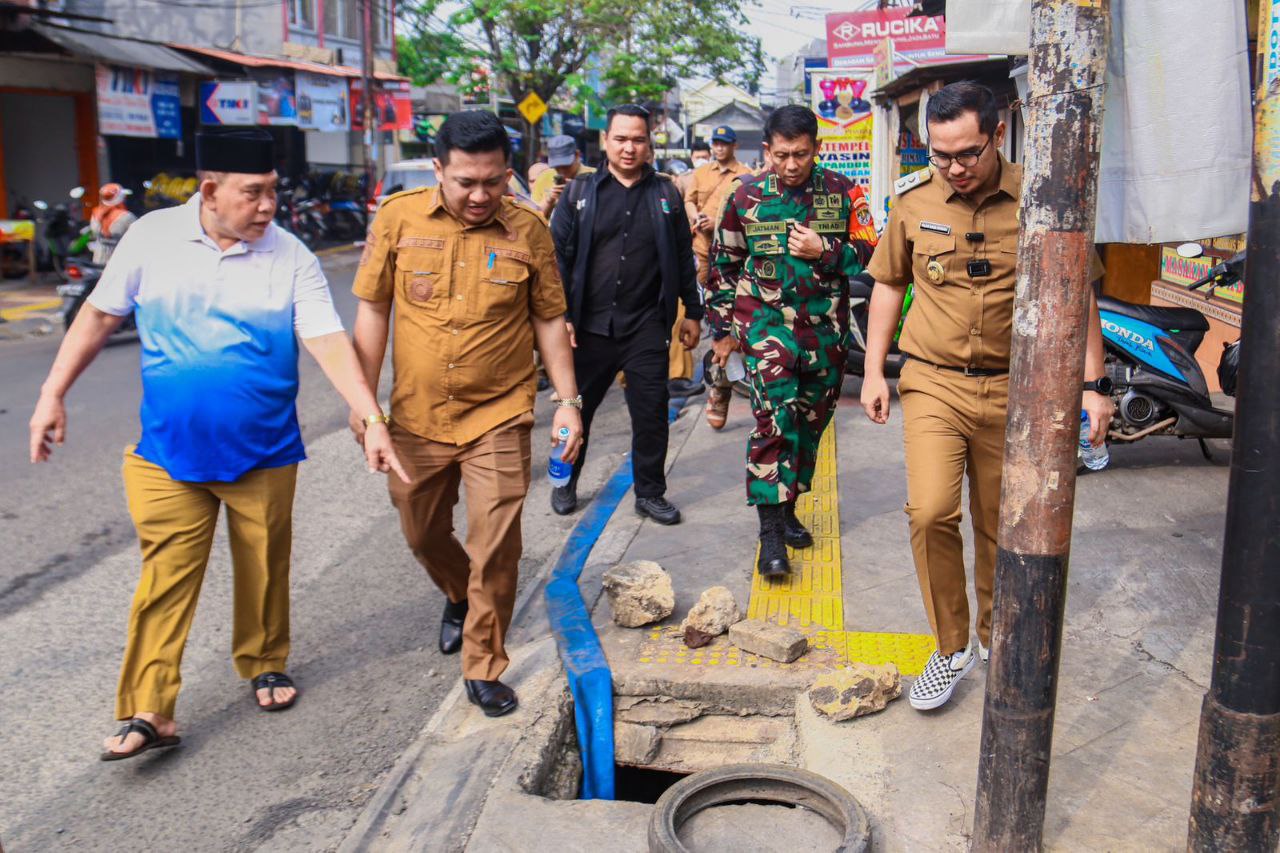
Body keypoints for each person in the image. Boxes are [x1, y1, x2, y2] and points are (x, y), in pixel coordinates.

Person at [27, 127, 406, 761]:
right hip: (167, 455)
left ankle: (264, 661)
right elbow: (97, 315)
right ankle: (149, 709)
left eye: (273, 193)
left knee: (263, 568)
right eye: (254, 194)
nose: (268, 207)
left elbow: (326, 341)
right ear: (209, 191)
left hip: (262, 451)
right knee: (164, 581)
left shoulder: (290, 256)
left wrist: (370, 417)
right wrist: (51, 394)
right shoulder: (151, 239)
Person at [859, 81, 1114, 712]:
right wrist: (872, 372)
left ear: (997, 134)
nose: (953, 168)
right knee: (930, 511)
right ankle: (950, 646)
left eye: (966, 153)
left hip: (1018, 388)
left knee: (1002, 524)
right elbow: (888, 284)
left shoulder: (1042, 197)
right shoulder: (915, 202)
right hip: (933, 381)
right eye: (939, 155)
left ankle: (996, 636)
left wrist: (1093, 384)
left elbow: (1076, 292)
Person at [350, 111, 582, 717]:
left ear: (509, 172)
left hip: (499, 414)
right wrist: (364, 402)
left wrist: (568, 402)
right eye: (465, 182)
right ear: (438, 172)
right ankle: (457, 593)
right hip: (416, 418)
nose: (481, 195)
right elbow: (373, 310)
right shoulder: (398, 217)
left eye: (494, 181)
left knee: (496, 543)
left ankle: (483, 662)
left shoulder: (530, 227)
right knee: (421, 531)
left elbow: (549, 319)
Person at [708, 105, 869, 577]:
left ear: (816, 148)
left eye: (801, 154)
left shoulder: (843, 193)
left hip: (825, 336)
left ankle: (790, 506)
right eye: (782, 154)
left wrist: (828, 251)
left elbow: (874, 255)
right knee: (773, 425)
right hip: (766, 333)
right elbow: (723, 265)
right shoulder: (745, 195)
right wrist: (726, 331)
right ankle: (770, 535)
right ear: (767, 151)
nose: (792, 164)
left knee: (809, 427)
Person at [549, 103, 702, 523]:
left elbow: (682, 255)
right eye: (621, 139)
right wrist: (560, 314)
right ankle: (564, 480)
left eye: (638, 139)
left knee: (651, 414)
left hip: (645, 327)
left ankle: (650, 492)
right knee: (575, 408)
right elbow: (556, 259)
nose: (629, 148)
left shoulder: (666, 194)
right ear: (605, 141)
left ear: (649, 143)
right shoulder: (580, 194)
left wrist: (693, 310)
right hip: (587, 328)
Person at [685, 125, 752, 428]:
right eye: (716, 143)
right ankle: (720, 388)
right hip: (710, 257)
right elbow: (688, 200)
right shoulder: (705, 174)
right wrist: (697, 219)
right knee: (724, 330)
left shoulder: (748, 177)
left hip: (753, 266)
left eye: (725, 143)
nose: (719, 148)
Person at [532, 135, 596, 219]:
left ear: (577, 155)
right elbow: (533, 219)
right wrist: (549, 200)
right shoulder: (543, 178)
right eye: (557, 167)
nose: (562, 172)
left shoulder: (595, 177)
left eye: (566, 166)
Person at [89, 183, 137, 266]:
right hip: (120, 264)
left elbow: (93, 235)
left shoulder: (95, 214)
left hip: (98, 262)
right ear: (120, 198)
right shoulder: (127, 216)